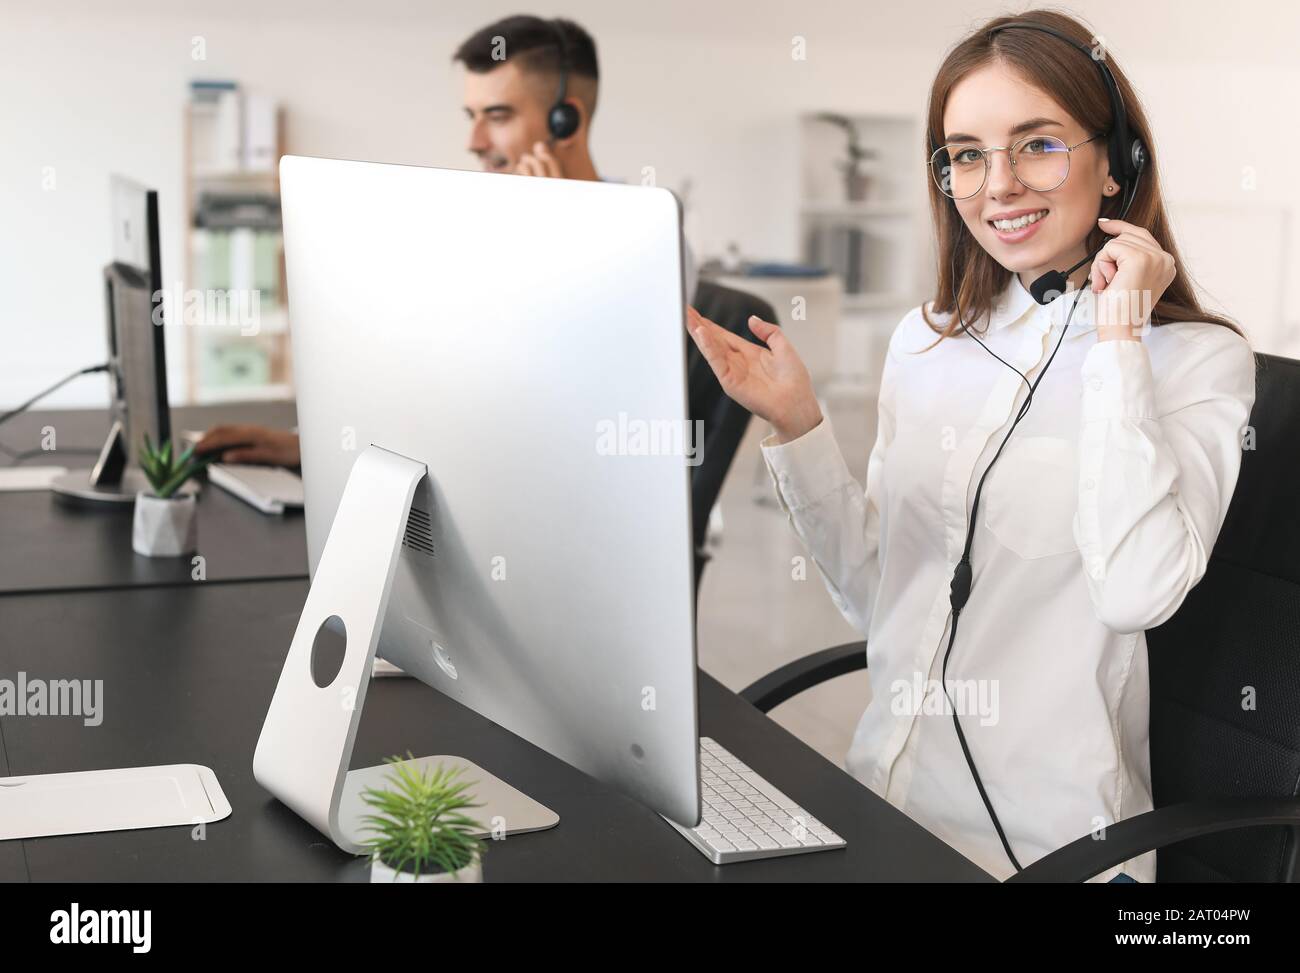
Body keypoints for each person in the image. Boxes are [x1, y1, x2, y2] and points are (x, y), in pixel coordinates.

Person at [687, 9, 1255, 883]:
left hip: (1047, 847)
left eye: (1038, 144)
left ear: (1116, 165)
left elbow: (1138, 589)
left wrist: (1117, 343)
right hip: (880, 800)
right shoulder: (927, 340)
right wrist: (798, 425)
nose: (999, 185)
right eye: (966, 153)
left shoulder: (1197, 363)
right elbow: (884, 598)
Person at [199, 15, 696, 465]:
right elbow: (442, 383)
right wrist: (314, 447)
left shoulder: (650, 242)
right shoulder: (485, 225)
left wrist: (552, 236)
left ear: (566, 121)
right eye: (471, 115)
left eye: (497, 116)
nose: (475, 141)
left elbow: (567, 413)